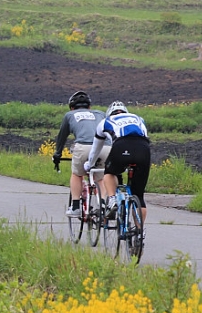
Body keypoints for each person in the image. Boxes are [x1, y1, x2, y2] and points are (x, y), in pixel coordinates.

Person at [84, 101, 151, 229]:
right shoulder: (139, 118)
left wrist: (89, 164)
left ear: (109, 113)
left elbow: (96, 149)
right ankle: (139, 232)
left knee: (109, 173)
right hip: (143, 148)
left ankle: (113, 199)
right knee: (139, 196)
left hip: (121, 145)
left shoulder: (105, 122)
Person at [52, 91, 112, 218]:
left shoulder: (70, 115)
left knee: (77, 174)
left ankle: (75, 207)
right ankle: (103, 206)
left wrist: (57, 154)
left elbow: (61, 138)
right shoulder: (100, 114)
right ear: (89, 107)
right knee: (100, 178)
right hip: (105, 147)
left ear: (72, 107)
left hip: (84, 146)